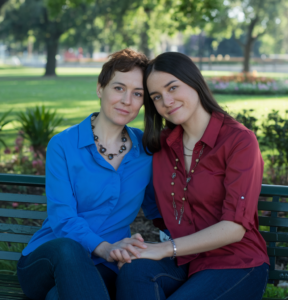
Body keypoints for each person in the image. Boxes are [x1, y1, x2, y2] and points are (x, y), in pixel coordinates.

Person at [116, 52, 270, 300]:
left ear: (194, 82)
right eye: (156, 96)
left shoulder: (238, 141)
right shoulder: (161, 146)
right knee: (135, 271)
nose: (166, 100)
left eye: (173, 87)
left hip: (236, 263)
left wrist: (165, 248)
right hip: (184, 260)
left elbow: (234, 228)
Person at [17, 49, 161, 300]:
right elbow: (62, 218)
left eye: (137, 93)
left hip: (105, 266)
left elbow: (158, 208)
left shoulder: (145, 150)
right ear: (100, 88)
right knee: (69, 249)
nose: (127, 100)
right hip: (48, 258)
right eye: (119, 88)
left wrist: (181, 245)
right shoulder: (63, 145)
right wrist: (105, 248)